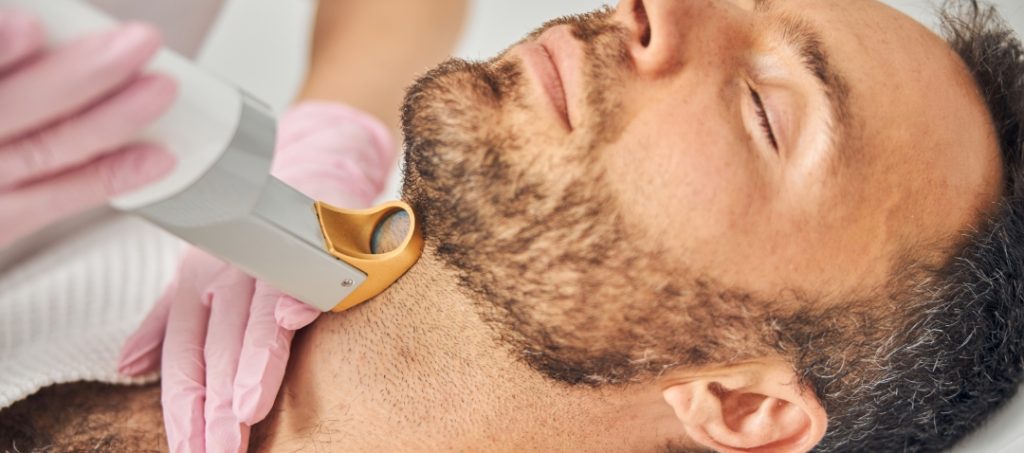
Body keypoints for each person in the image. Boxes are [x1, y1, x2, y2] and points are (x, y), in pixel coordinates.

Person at [4, 0, 1024, 451]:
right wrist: (335, 114)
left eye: (765, 108)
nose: (653, 9)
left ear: (743, 406)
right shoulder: (124, 216)